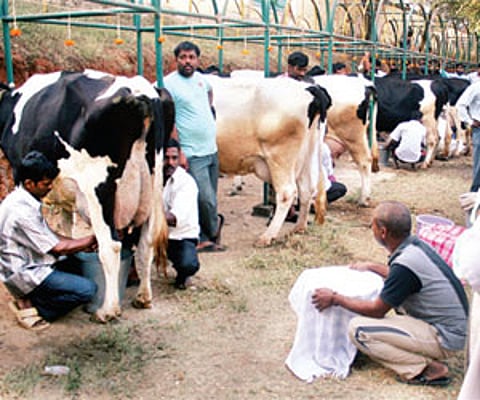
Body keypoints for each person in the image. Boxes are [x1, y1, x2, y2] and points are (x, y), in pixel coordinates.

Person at [311, 201, 468, 386]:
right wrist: (371, 266)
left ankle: (424, 368)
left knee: (358, 330)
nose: (372, 229)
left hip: (445, 336)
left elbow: (378, 310)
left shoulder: (406, 263)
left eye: (373, 226)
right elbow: (401, 277)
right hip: (452, 327)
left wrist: (335, 298)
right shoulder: (415, 247)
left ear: (383, 232)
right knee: (382, 318)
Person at [0, 151, 98, 330]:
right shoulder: (21, 212)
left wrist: (82, 244)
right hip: (25, 273)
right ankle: (35, 306)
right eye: (46, 183)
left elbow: (50, 236)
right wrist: (92, 238)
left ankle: (38, 296)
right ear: (30, 183)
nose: (51, 187)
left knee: (79, 263)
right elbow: (58, 247)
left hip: (31, 261)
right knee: (88, 289)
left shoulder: (24, 199)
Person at [163, 41, 225, 252]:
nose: (187, 61)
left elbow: (209, 93)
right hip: (191, 152)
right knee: (204, 198)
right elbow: (169, 120)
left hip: (210, 149)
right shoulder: (168, 84)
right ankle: (204, 236)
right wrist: (179, 152)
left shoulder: (202, 80)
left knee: (210, 196)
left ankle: (208, 235)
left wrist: (206, 112)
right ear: (176, 60)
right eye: (183, 57)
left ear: (198, 60)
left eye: (191, 57)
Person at [163, 138, 201, 289]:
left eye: (174, 158)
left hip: (178, 236)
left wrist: (146, 214)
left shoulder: (186, 182)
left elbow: (173, 219)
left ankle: (183, 273)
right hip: (155, 232)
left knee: (188, 264)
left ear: (180, 159)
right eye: (166, 158)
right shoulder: (154, 178)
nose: (170, 162)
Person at [457, 81, 480, 191]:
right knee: (479, 163)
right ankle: (475, 192)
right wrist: (470, 121)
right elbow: (460, 104)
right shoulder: (475, 87)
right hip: (479, 129)